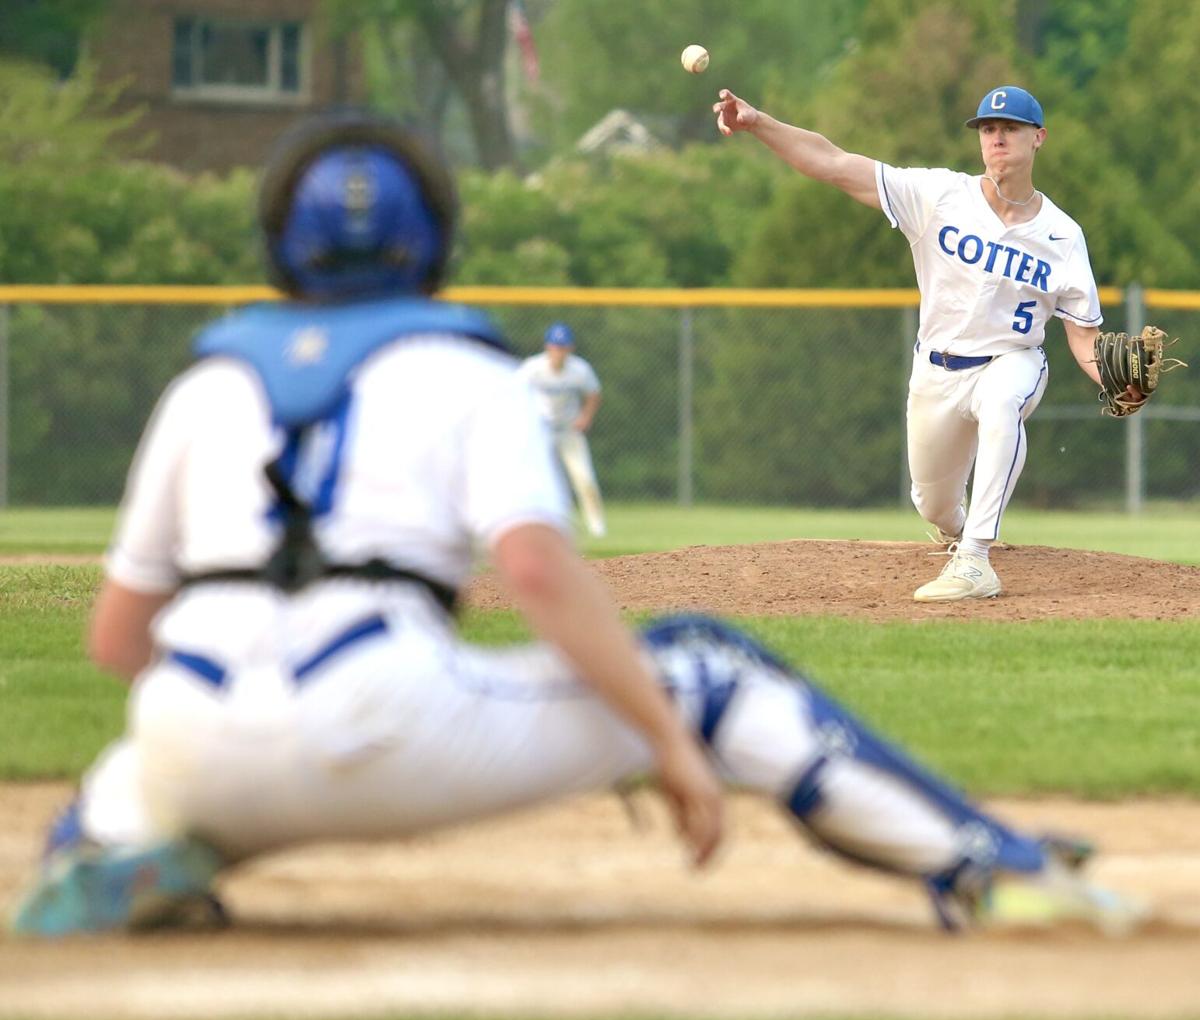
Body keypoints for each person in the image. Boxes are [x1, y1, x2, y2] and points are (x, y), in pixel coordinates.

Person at [10, 111, 1139, 937]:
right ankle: (993, 864)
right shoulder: (465, 366)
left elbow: (117, 641)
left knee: (134, 767)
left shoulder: (203, 385)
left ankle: (109, 852)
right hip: (380, 712)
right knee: (708, 668)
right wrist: (661, 740)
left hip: (192, 726)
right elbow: (542, 575)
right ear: (433, 240)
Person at [714, 85, 1142, 602]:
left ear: (1039, 138)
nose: (997, 139)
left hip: (1013, 359)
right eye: (988, 129)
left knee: (1003, 403)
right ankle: (958, 531)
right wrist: (759, 122)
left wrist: (1119, 380)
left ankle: (976, 558)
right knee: (933, 504)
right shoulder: (939, 196)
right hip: (936, 372)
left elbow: (1084, 337)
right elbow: (832, 162)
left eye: (1010, 129)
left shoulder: (1063, 236)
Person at [518, 324, 607, 538]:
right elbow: (514, 392)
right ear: (548, 346)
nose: (559, 351)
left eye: (563, 347)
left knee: (584, 478)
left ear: (570, 348)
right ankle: (533, 526)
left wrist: (585, 416)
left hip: (568, 431)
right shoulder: (533, 368)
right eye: (555, 346)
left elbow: (594, 394)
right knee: (534, 480)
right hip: (541, 431)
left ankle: (597, 527)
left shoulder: (579, 369)